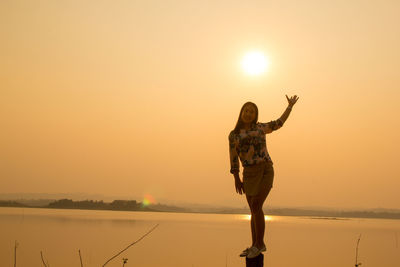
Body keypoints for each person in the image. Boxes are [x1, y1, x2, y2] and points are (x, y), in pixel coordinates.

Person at [228, 95, 299, 258]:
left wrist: (289, 107)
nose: (248, 113)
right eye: (246, 110)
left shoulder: (260, 128)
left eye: (252, 111)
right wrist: (236, 178)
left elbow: (279, 123)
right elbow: (233, 157)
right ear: (241, 113)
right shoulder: (234, 135)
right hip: (248, 173)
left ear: (255, 115)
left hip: (265, 169)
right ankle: (254, 245)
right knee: (253, 209)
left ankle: (260, 244)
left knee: (257, 205)